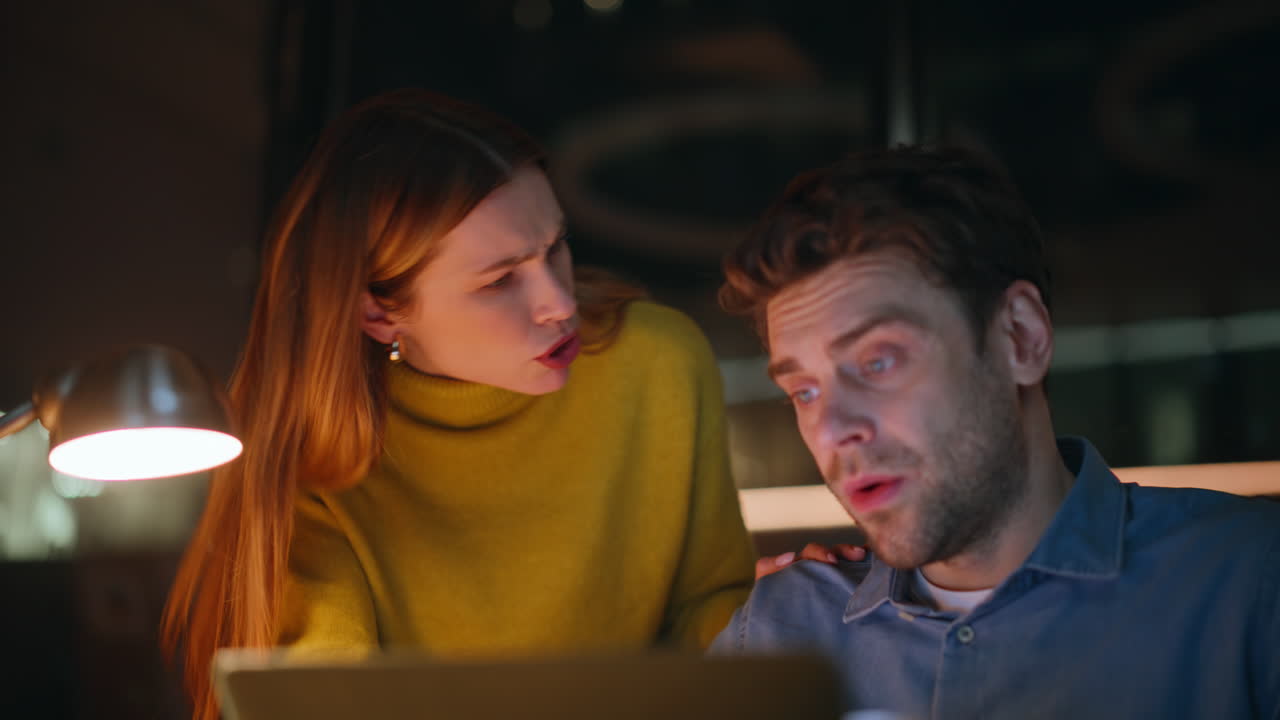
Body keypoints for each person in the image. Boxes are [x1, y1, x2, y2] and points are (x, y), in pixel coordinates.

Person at [161, 89, 759, 720]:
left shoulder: (657, 363)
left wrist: (781, 609)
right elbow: (328, 699)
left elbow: (710, 616)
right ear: (378, 312)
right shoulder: (320, 461)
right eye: (500, 281)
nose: (558, 301)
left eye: (555, 247)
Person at [710, 145, 1280, 718]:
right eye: (803, 392)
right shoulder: (779, 633)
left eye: (878, 362)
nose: (832, 430)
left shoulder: (1249, 585)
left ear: (1021, 337)